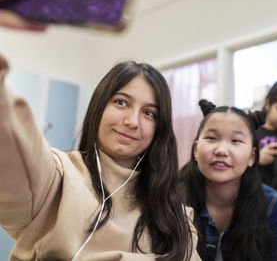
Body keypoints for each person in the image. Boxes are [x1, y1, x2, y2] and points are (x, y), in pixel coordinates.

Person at [0, 54, 200, 260]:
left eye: (149, 113)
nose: (132, 121)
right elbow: (15, 146)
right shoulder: (58, 176)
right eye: (121, 102)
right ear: (99, 107)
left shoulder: (177, 217)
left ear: (159, 129)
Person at [181, 99, 277, 261]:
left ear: (252, 156)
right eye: (211, 138)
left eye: (236, 141)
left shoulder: (272, 205)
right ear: (196, 150)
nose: (221, 150)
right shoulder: (169, 198)